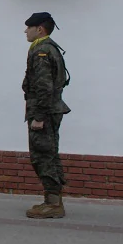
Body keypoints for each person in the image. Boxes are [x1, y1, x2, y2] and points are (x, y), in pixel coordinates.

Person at [22, 12, 71, 219]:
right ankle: (52, 199)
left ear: (39, 29)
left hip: (45, 111)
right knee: (49, 153)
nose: (25, 31)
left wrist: (39, 116)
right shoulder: (48, 47)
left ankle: (53, 204)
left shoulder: (41, 50)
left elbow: (44, 86)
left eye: (29, 27)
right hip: (51, 110)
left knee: (42, 156)